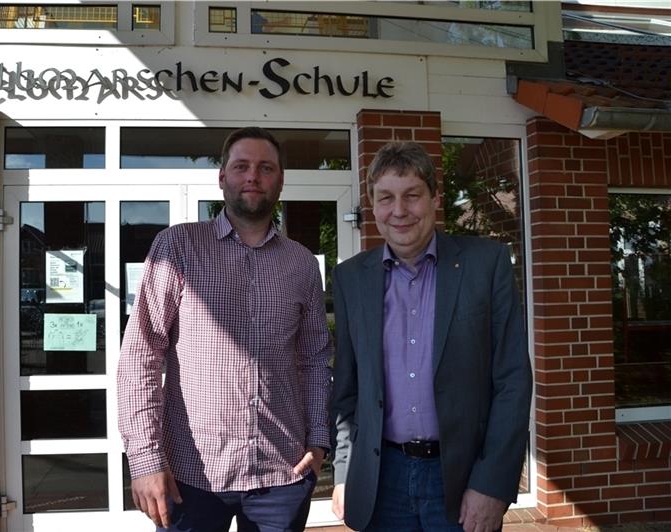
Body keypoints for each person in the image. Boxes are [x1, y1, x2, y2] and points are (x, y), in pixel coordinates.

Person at [117, 127, 332, 531]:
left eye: (266, 168)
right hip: (190, 475)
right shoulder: (178, 247)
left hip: (281, 475)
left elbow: (314, 360)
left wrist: (319, 439)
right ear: (222, 177)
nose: (253, 176)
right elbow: (141, 356)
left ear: (281, 181)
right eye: (241, 166)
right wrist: (145, 459)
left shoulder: (302, 263)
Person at [330, 141, 532, 532]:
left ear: (435, 199)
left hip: (461, 477)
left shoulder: (485, 264)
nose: (399, 210)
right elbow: (347, 390)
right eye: (386, 198)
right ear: (373, 206)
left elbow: (512, 381)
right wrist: (343, 471)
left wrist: (492, 484)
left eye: (412, 195)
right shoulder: (350, 278)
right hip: (380, 479)